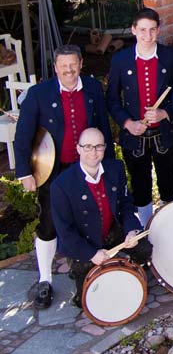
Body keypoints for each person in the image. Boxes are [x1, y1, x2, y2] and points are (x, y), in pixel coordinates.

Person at [16, 47, 112, 309]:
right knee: (48, 223)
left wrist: (110, 164)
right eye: (63, 66)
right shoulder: (38, 94)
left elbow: (103, 126)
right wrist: (25, 172)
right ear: (55, 67)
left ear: (81, 64)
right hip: (52, 170)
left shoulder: (92, 88)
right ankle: (45, 280)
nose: (69, 71)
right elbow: (23, 136)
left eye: (73, 65)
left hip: (87, 167)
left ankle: (85, 273)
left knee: (90, 220)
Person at [50, 128, 150, 307]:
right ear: (78, 149)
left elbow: (126, 205)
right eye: (87, 147)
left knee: (144, 248)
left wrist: (131, 230)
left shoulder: (115, 168)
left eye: (98, 146)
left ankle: (130, 274)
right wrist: (91, 254)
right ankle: (79, 270)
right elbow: (65, 231)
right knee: (86, 301)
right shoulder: (61, 185)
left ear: (105, 148)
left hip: (111, 231)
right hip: (84, 240)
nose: (93, 152)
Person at [106, 9, 173, 227]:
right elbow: (111, 99)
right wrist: (128, 123)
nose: (148, 36)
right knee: (140, 186)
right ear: (134, 30)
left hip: (164, 135)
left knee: (168, 183)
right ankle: (147, 230)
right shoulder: (121, 60)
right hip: (134, 136)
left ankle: (169, 227)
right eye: (143, 30)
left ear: (158, 30)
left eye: (152, 30)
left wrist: (164, 113)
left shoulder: (171, 57)